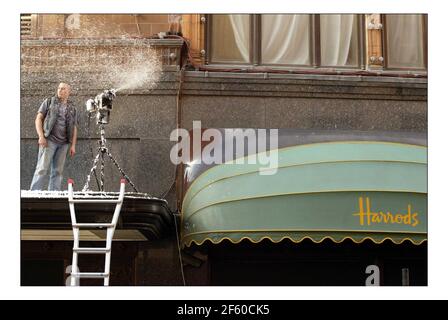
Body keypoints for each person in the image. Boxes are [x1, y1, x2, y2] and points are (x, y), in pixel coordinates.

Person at [30, 82, 78, 191]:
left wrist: (73, 145)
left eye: (63, 88)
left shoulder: (72, 108)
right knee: (42, 168)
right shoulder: (49, 102)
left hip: (64, 143)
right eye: (59, 88)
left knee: (58, 171)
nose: (60, 90)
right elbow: (38, 119)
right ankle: (34, 194)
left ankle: (54, 194)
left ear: (68, 92)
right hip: (49, 140)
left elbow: (74, 127)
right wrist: (41, 136)